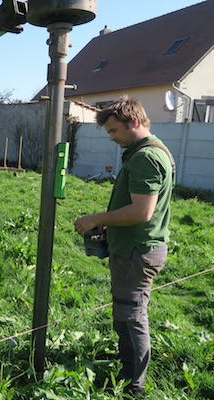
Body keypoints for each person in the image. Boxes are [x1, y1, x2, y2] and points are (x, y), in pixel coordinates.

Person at [74, 95, 174, 397]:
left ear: (133, 122)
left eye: (114, 131)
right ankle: (127, 372)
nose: (113, 138)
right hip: (133, 248)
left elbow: (142, 212)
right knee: (127, 314)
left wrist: (96, 218)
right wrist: (109, 222)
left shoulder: (146, 157)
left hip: (137, 252)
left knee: (132, 317)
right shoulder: (144, 151)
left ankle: (134, 385)